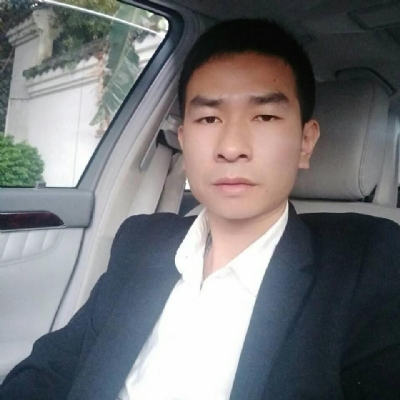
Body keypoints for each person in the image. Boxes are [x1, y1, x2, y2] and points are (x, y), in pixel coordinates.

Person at [1, 18, 400, 400]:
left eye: (264, 116)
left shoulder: (369, 263)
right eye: (209, 118)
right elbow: (54, 369)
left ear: (305, 143)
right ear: (184, 139)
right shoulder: (142, 240)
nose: (231, 147)